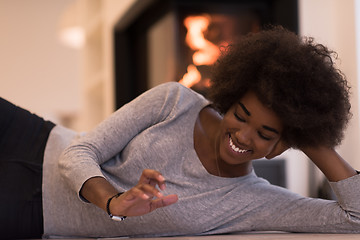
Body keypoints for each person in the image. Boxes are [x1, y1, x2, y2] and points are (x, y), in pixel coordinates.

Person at [1, 26, 359, 239]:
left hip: (32, 211)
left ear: (282, 144)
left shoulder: (254, 203)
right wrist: (114, 202)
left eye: (265, 133)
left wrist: (312, 141)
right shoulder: (175, 101)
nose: (243, 135)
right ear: (231, 97)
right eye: (241, 114)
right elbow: (78, 153)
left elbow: (354, 217)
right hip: (32, 139)